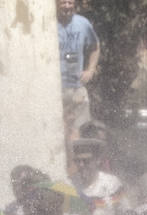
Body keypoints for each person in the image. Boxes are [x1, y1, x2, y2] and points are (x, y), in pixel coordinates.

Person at [57, 0, 100, 152]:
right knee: (59, 136)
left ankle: (77, 171)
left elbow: (95, 46)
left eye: (70, 2)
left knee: (79, 135)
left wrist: (90, 70)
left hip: (77, 88)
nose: (67, 6)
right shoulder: (49, 25)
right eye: (63, 2)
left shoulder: (83, 23)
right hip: (55, 91)